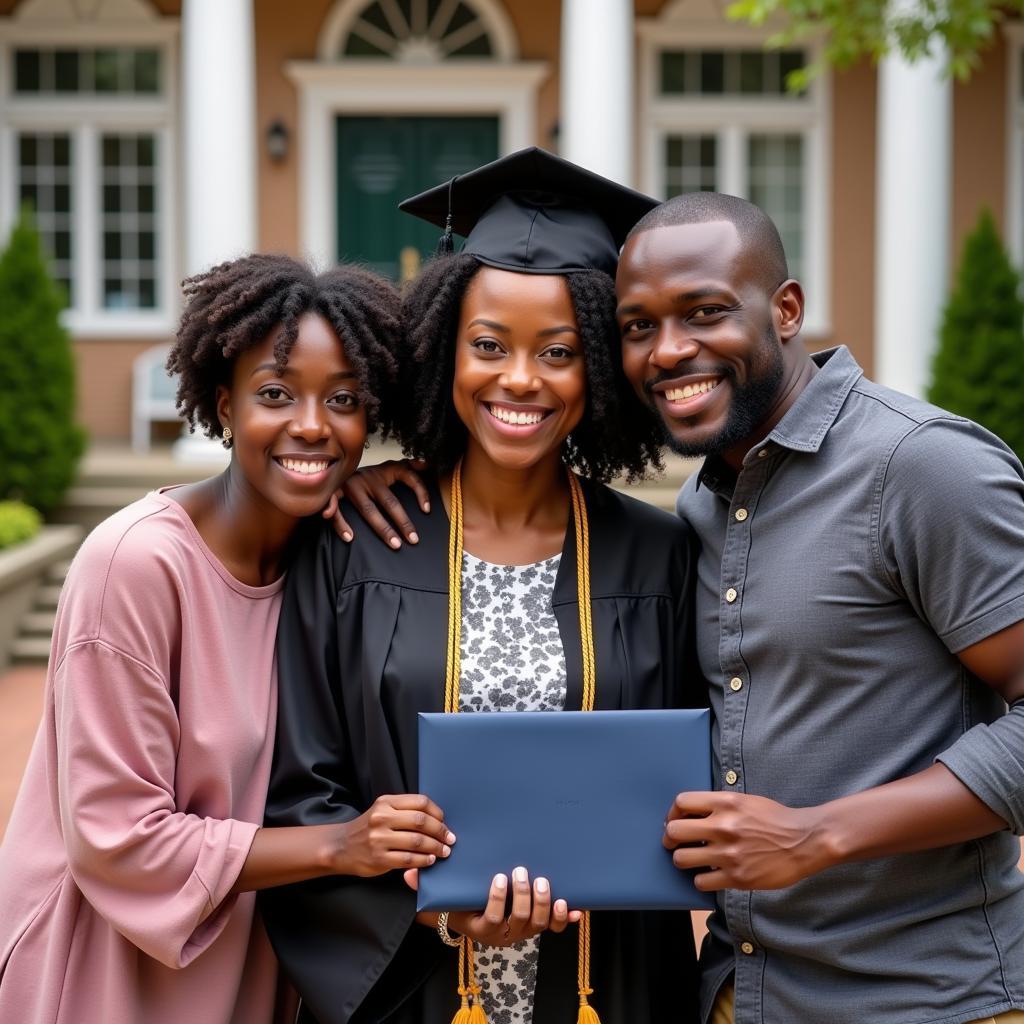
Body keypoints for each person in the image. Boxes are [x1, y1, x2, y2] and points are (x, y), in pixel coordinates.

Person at [260, 149, 702, 1024]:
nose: (520, 380)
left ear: (601, 371)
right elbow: (303, 791)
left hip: (606, 984)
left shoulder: (658, 555)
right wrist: (429, 905)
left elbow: (696, 780)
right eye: (488, 346)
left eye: (560, 352)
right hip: (414, 987)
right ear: (442, 353)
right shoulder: (357, 544)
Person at [0, 255, 452, 1024]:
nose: (311, 424)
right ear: (224, 404)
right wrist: (342, 845)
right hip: (108, 971)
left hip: (248, 965)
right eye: (275, 395)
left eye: (342, 399)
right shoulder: (136, 565)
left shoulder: (331, 561)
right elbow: (121, 839)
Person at [612, 193, 1024, 1024]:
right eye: (637, 325)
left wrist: (817, 835)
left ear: (787, 309)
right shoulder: (701, 506)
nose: (669, 350)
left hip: (930, 1003)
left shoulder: (920, 466)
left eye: (705, 313)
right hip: (745, 996)